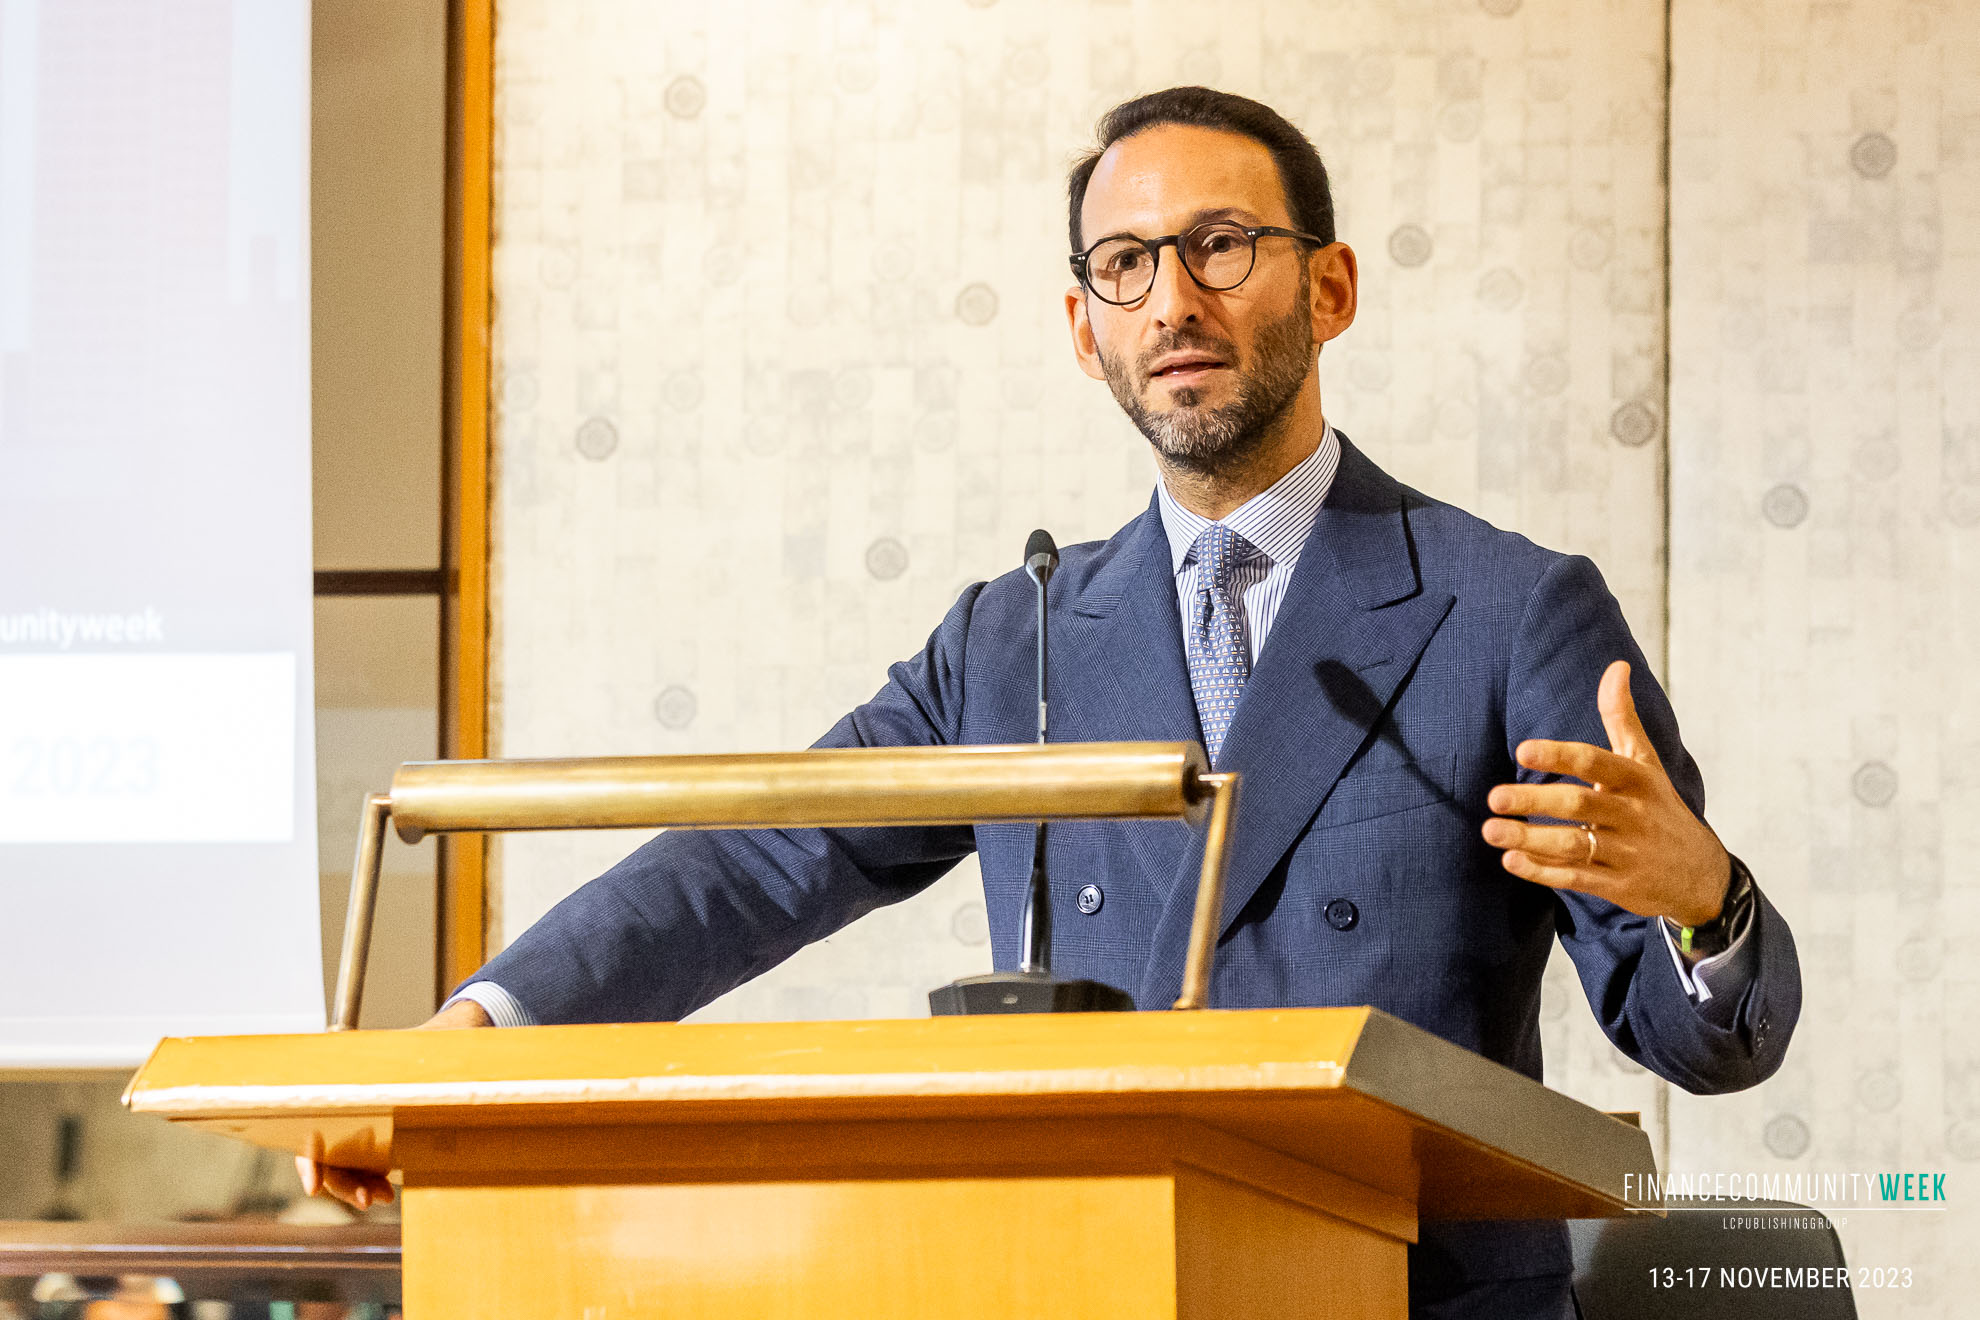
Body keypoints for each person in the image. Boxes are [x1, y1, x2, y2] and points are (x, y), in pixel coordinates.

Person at [301, 87, 1801, 1320]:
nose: (1174, 301)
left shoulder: (1505, 607)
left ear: (1329, 289)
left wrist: (1706, 902)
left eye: (1222, 245)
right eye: (1125, 265)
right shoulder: (1013, 638)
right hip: (1086, 1281)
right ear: (1084, 329)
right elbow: (761, 853)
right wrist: (484, 1028)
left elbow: (1708, 1043)